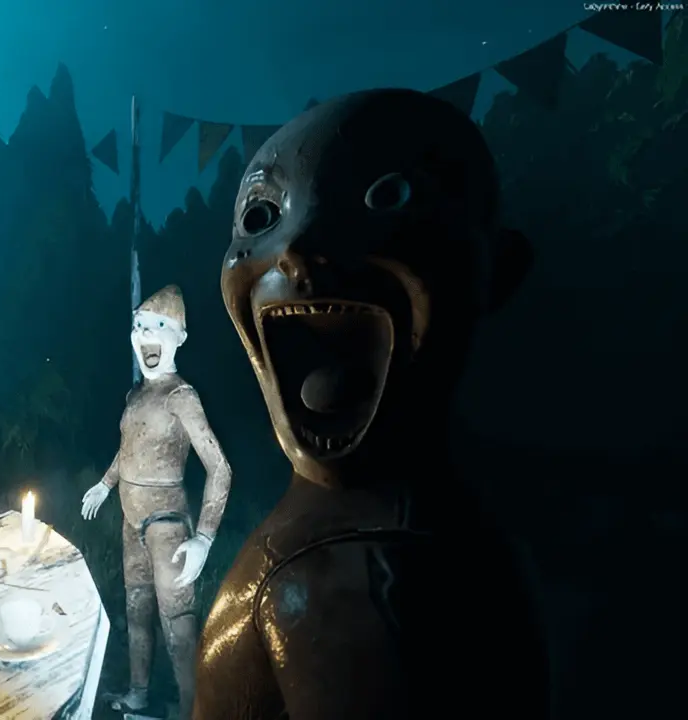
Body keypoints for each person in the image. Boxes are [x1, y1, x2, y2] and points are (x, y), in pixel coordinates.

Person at [194, 88, 549, 719]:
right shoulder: (407, 535)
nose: (297, 249)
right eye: (262, 215)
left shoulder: (354, 579)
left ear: (500, 269)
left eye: (387, 197)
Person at [80, 285, 232, 720]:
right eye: (139, 325)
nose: (145, 334)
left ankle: (193, 709)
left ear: (179, 337)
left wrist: (204, 538)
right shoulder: (136, 395)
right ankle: (139, 694)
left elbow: (220, 468)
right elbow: (128, 447)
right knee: (137, 608)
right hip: (131, 517)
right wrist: (105, 485)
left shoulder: (181, 397)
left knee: (177, 619)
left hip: (166, 520)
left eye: (158, 326)